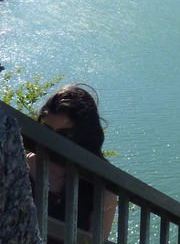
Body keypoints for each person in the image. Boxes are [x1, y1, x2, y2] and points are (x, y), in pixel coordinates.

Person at [27, 84, 118, 244]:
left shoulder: (101, 186)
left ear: (83, 137)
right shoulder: (24, 164)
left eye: (64, 135)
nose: (52, 141)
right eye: (47, 130)